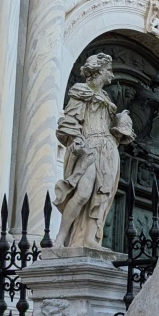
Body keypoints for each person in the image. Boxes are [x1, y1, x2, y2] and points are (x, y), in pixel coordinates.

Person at [54, 53, 135, 249]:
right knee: (82, 193)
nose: (111, 75)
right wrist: (76, 140)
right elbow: (69, 120)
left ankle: (90, 238)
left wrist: (121, 126)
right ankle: (60, 238)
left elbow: (109, 126)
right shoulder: (81, 91)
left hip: (108, 148)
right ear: (99, 70)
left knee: (103, 195)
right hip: (89, 146)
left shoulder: (106, 97)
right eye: (109, 70)